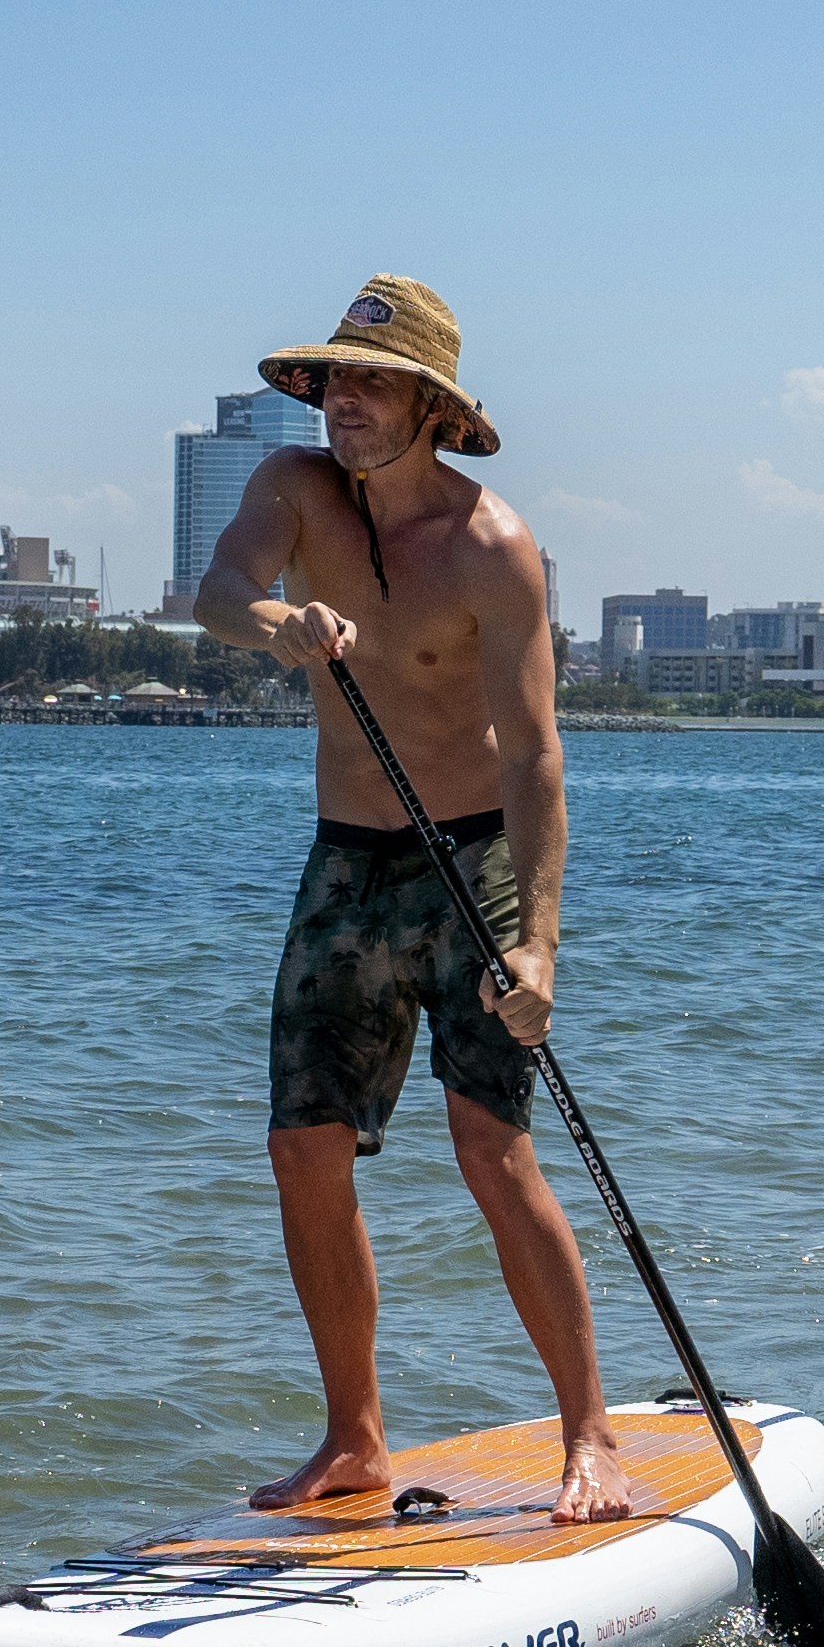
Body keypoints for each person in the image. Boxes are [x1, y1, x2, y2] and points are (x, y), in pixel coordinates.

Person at [195, 274, 631, 1525]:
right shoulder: (291, 493)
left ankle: (588, 1434)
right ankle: (352, 1438)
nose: (345, 397)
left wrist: (537, 947)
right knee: (301, 1149)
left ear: (431, 404)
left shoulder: (492, 547)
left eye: (372, 379)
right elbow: (217, 591)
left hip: (468, 864)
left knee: (492, 1151)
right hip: (345, 861)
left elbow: (535, 751)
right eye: (333, 375)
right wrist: (272, 619)